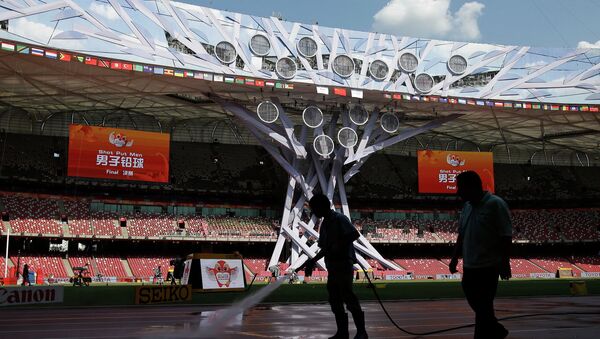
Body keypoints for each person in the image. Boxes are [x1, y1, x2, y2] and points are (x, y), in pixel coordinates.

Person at [449, 171, 512, 339]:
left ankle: (486, 334)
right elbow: (461, 234)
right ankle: (495, 329)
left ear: (472, 187)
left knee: (483, 306)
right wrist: (455, 257)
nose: (458, 192)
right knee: (481, 306)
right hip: (469, 266)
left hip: (488, 266)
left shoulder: (495, 204)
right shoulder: (467, 207)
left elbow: (506, 235)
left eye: (460, 188)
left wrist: (504, 262)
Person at [297, 194, 367, 339]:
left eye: (314, 208)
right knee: (335, 299)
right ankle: (342, 332)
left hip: (343, 263)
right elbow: (325, 248)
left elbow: (354, 234)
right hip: (333, 266)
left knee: (348, 296)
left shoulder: (339, 218)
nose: (313, 212)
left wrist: (338, 243)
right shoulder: (325, 224)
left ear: (322, 206)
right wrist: (312, 260)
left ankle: (361, 332)